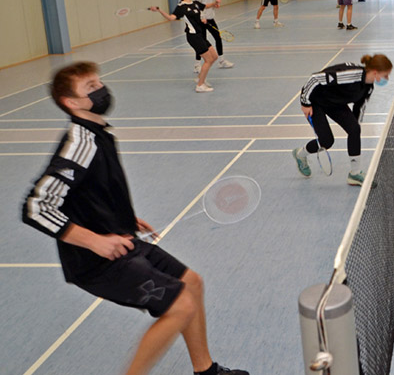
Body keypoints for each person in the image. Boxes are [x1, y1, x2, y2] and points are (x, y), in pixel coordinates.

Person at [21, 62, 249, 375]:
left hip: (123, 239)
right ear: (70, 103)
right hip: (96, 258)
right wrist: (95, 241)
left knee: (192, 283)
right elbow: (37, 206)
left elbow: (92, 189)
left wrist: (124, 216)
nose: (100, 89)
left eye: (98, 82)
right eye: (89, 87)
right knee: (180, 305)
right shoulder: (79, 145)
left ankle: (206, 371)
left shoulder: (98, 133)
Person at [293, 54, 393, 186]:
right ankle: (300, 154)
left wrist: (354, 127)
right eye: (385, 75)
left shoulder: (368, 88)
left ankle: (355, 173)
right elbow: (315, 79)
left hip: (335, 103)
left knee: (354, 129)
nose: (387, 79)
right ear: (375, 72)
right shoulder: (351, 75)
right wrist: (305, 103)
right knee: (326, 141)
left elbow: (359, 108)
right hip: (316, 102)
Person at [152, 0, 220, 93]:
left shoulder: (195, 3)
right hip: (193, 36)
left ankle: (200, 78)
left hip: (200, 35)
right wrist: (160, 10)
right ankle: (200, 85)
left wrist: (214, 4)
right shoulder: (181, 7)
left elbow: (206, 6)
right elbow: (171, 18)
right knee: (208, 59)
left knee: (214, 56)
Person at [193, 0, 233, 73]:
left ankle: (221, 60)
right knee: (202, 42)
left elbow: (208, 3)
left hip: (210, 18)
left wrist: (214, 5)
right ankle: (197, 65)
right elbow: (196, 5)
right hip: (202, 19)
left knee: (218, 38)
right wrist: (202, 17)